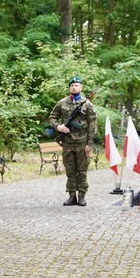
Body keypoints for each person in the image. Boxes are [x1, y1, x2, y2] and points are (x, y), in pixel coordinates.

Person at [49, 76, 97, 206]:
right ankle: (71, 195)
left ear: (81, 88)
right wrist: (59, 127)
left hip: (82, 142)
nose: (74, 87)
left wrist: (89, 143)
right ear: (69, 88)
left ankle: (81, 196)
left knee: (82, 170)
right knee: (70, 169)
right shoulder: (62, 103)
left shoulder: (87, 104)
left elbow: (92, 125)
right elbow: (52, 117)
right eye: (72, 85)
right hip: (67, 142)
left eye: (76, 85)